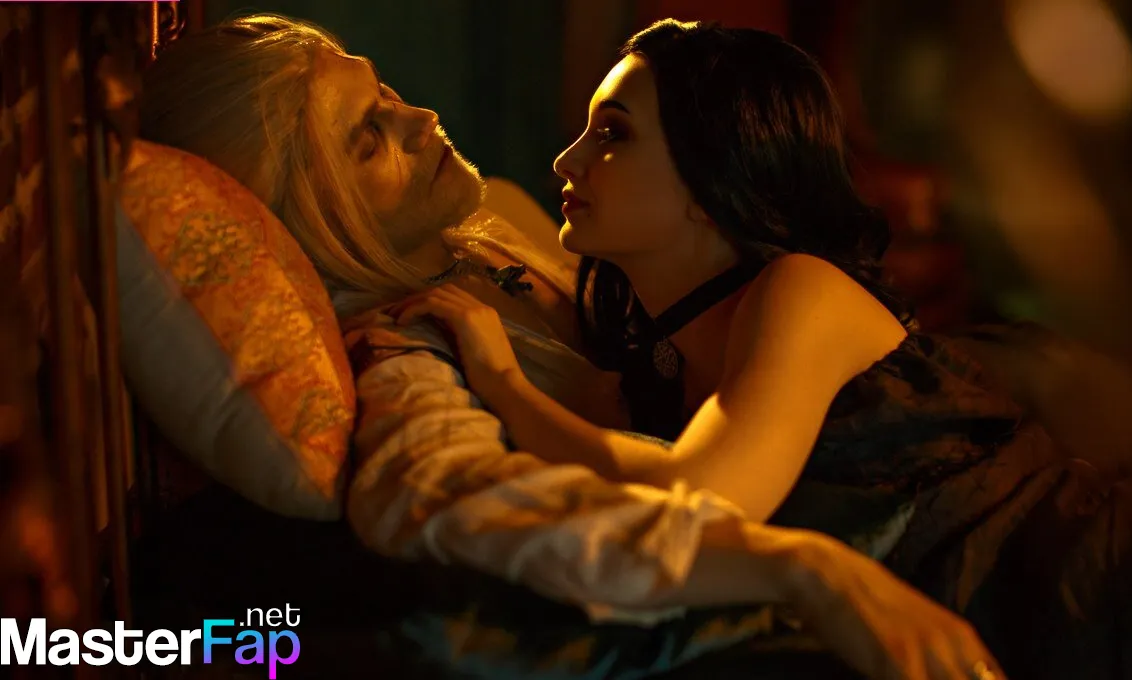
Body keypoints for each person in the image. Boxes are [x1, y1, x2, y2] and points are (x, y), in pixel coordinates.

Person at [138, 13, 1006, 680]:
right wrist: (799, 570)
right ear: (311, 214)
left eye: (389, 95)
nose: (424, 118)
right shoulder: (412, 342)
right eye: (369, 139)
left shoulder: (500, 227)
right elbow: (446, 492)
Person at [395, 18, 1132, 680]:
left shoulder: (799, 289)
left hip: (1119, 592)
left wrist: (500, 379)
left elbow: (696, 495)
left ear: (710, 176)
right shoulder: (656, 340)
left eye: (612, 134)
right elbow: (500, 211)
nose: (568, 159)